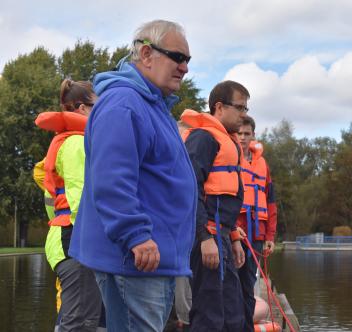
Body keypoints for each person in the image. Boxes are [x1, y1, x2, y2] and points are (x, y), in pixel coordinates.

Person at [68, 19, 197, 332]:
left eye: (188, 60)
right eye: (178, 57)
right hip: (135, 259)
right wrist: (135, 234)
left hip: (151, 260)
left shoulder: (151, 105)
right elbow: (111, 178)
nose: (185, 68)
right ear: (147, 54)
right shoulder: (124, 104)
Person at [180, 80, 250, 332]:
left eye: (246, 109)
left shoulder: (227, 141)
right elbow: (189, 189)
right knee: (210, 315)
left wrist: (233, 237)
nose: (244, 115)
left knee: (233, 313)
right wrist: (204, 236)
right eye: (240, 108)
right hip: (206, 235)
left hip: (221, 234)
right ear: (219, 107)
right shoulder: (203, 138)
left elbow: (227, 197)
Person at [34, 79, 103, 331]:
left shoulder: (73, 139)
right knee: (80, 322)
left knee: (80, 319)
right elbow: (80, 199)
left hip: (71, 238)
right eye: (98, 105)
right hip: (74, 239)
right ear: (81, 108)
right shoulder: (75, 143)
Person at [236, 115, 278, 332]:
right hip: (233, 233)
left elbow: (270, 203)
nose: (242, 138)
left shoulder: (262, 163)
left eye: (247, 134)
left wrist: (270, 236)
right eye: (239, 133)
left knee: (247, 287)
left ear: (253, 135)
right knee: (229, 287)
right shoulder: (226, 156)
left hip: (256, 235)